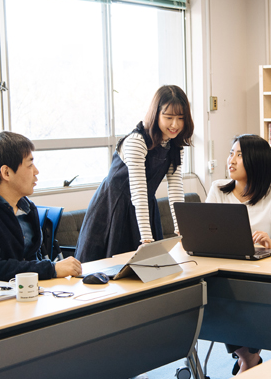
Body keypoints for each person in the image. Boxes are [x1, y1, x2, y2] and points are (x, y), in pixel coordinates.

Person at [206, 134, 271, 375]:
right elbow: (206, 228)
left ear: (255, 161)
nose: (232, 160)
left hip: (260, 274)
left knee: (238, 300)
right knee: (221, 298)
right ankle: (249, 359)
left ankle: (248, 359)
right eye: (231, 154)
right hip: (222, 268)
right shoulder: (218, 189)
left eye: (239, 155)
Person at [75, 85, 194, 263]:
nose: (175, 124)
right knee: (112, 270)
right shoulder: (137, 141)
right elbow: (138, 191)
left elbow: (176, 190)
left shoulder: (175, 146)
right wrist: (146, 239)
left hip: (146, 206)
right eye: (168, 117)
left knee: (150, 270)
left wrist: (181, 232)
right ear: (156, 114)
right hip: (115, 206)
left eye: (180, 118)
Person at [0, 131, 82, 282]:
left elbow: (33, 260)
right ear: (6, 172)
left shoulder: (27, 207)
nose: (36, 171)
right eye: (30, 164)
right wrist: (51, 269)